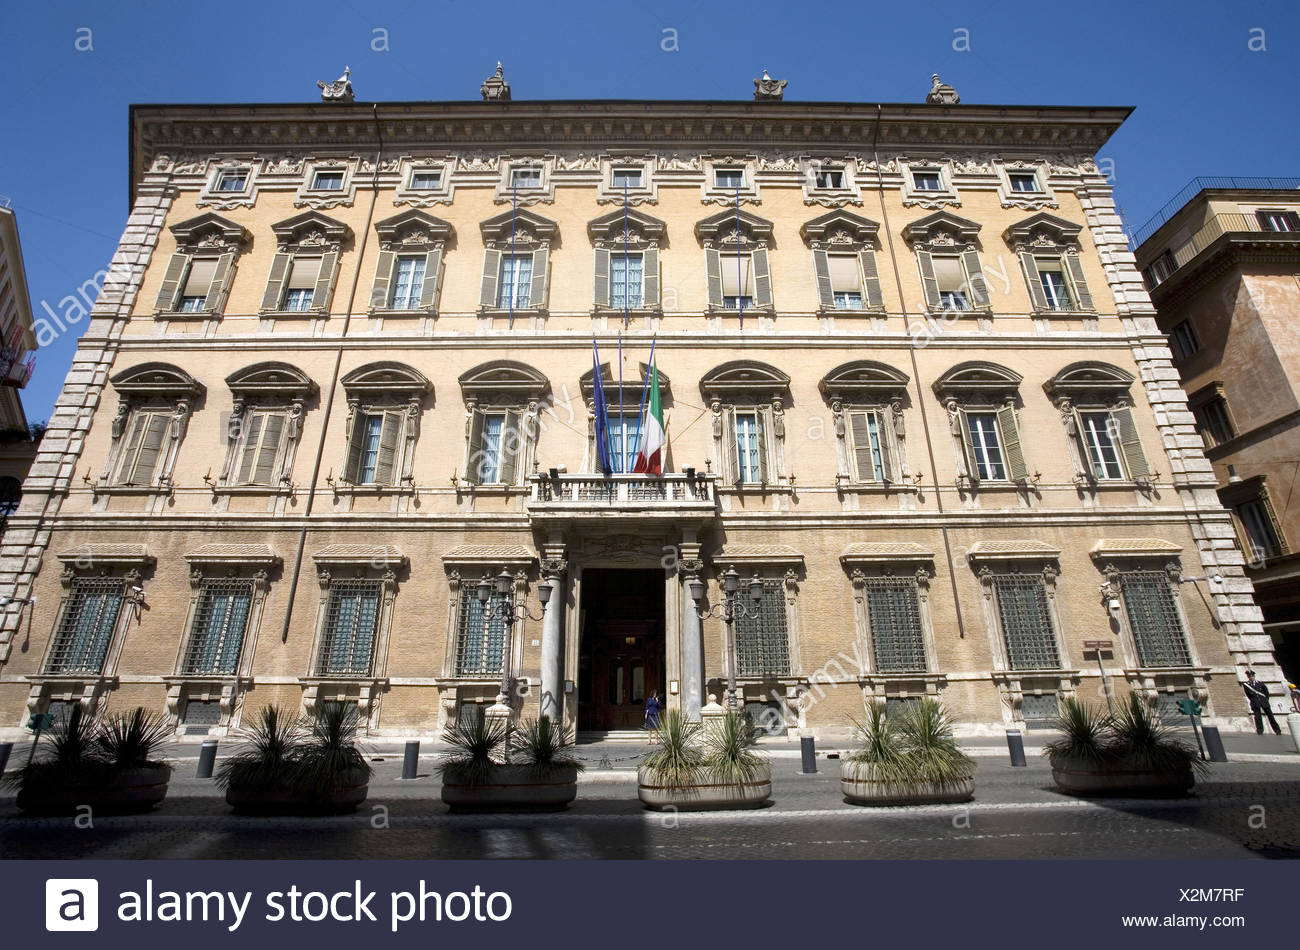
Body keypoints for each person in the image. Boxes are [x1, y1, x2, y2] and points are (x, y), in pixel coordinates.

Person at [1242, 669, 1282, 735]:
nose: (1251, 677)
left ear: (1254, 676)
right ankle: (1260, 730)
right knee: (1257, 717)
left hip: (1263, 701)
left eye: (1252, 676)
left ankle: (1277, 730)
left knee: (1270, 716)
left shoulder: (1260, 683)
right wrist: (1254, 700)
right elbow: (1248, 695)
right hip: (1255, 702)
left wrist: (1265, 700)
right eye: (1249, 676)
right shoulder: (1246, 685)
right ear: (1248, 677)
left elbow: (1266, 692)